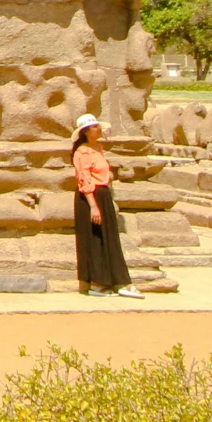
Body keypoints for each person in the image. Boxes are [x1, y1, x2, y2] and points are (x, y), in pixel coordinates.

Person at [69, 114, 140, 299]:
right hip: (90, 197)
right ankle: (98, 283)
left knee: (110, 238)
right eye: (95, 128)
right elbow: (83, 180)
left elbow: (101, 174)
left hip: (103, 195)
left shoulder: (98, 149)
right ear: (86, 132)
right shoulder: (82, 152)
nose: (99, 130)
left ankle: (117, 281)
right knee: (95, 240)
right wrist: (93, 206)